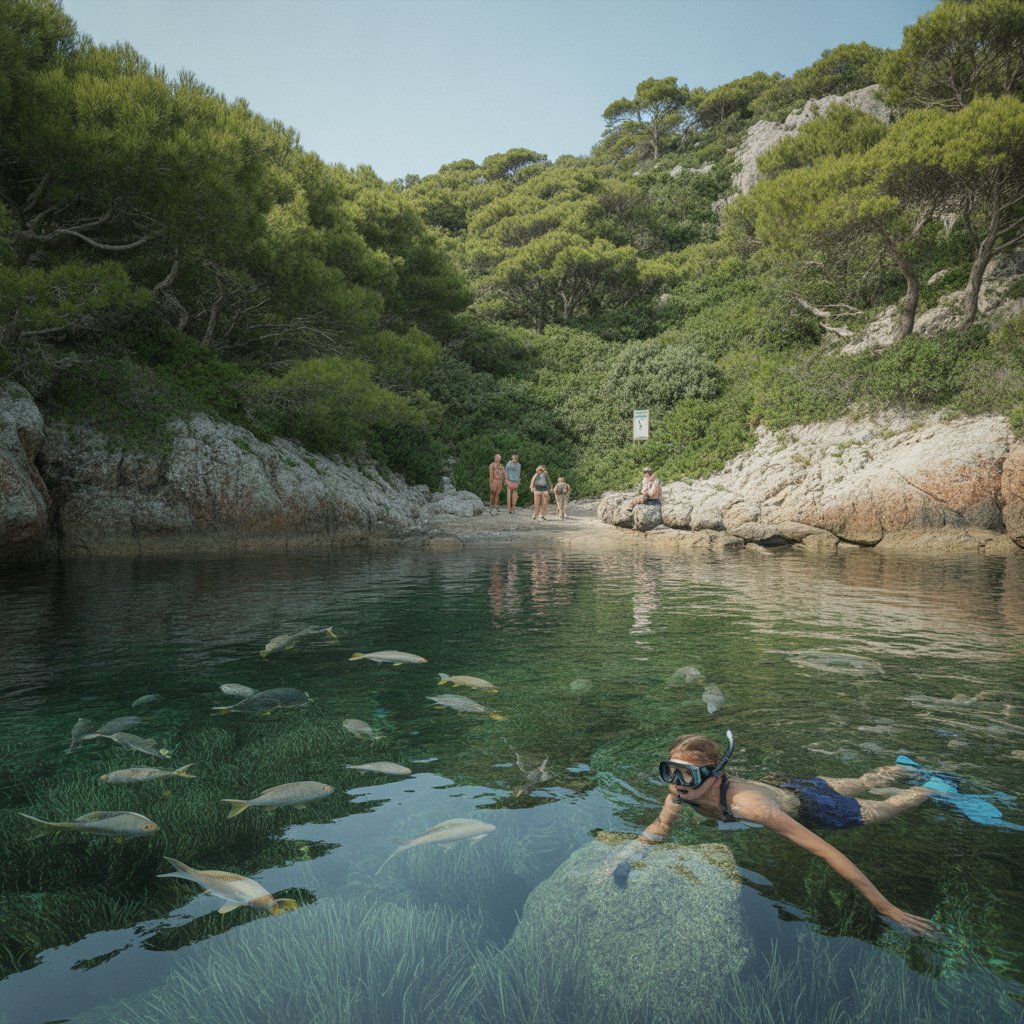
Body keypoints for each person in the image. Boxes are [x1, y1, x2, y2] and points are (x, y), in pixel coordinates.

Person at [606, 730, 936, 934]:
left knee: (885, 810)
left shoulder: (750, 808)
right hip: (787, 786)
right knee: (861, 782)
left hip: (810, 806)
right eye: (670, 772)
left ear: (715, 775)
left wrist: (886, 907)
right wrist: (624, 857)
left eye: (686, 775)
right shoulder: (679, 794)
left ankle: (933, 788)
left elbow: (826, 851)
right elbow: (660, 827)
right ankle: (902, 769)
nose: (676, 783)